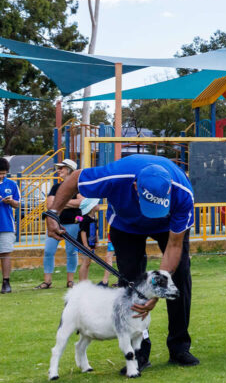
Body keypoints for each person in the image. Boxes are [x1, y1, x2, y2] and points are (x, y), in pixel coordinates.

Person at [48, 153, 199, 369]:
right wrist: (53, 213)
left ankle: (179, 347)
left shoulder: (182, 193)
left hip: (167, 228)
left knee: (180, 277)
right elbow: (75, 179)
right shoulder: (115, 176)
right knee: (131, 283)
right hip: (125, 226)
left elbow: (174, 246)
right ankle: (139, 352)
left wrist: (157, 292)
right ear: (136, 187)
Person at [36, 160, 83, 290]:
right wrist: (69, 202)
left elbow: (81, 202)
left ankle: (70, 281)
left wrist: (60, 202)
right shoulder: (56, 187)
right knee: (48, 251)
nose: (59, 170)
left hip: (72, 223)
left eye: (61, 168)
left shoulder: (78, 186)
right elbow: (50, 205)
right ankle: (47, 281)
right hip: (55, 223)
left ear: (69, 170)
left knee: (71, 252)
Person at [0, 157, 21, 294]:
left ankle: (6, 282)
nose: (1, 175)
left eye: (4, 173)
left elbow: (18, 203)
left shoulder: (12, 185)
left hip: (6, 224)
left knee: (5, 253)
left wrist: (11, 201)